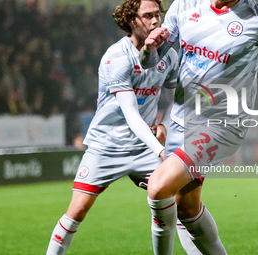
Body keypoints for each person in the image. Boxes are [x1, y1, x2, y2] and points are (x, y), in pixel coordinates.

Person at [140, 0, 258, 254]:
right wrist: (148, 47)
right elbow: (150, 63)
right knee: (186, 209)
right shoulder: (184, 5)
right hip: (180, 118)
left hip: (223, 123)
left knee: (158, 188)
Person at [46, 0, 180, 254]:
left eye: (157, 15)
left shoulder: (169, 55)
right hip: (107, 146)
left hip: (144, 149)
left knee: (171, 205)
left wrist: (163, 123)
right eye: (148, 16)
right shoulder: (116, 58)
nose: (155, 21)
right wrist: (162, 151)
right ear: (132, 21)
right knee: (76, 212)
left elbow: (175, 99)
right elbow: (130, 114)